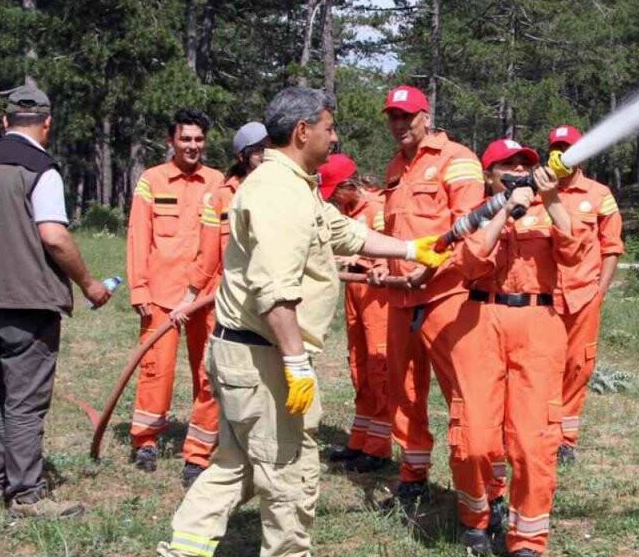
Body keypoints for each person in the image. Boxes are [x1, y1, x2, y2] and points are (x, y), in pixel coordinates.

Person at [158, 87, 453, 557]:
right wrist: (295, 364)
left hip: (246, 351)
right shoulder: (279, 193)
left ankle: (184, 548)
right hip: (265, 356)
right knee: (287, 471)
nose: (334, 138)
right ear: (302, 131)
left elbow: (340, 231)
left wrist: (409, 248)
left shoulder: (295, 184)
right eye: (328, 128)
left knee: (236, 465)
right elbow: (274, 290)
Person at [0, 85, 111, 517]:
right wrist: (89, 284)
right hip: (28, 307)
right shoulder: (42, 170)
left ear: (4, 121)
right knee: (24, 401)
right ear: (47, 123)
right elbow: (54, 237)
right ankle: (26, 495)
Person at [452, 138, 591, 557]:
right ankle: (477, 517)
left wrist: (550, 200)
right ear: (489, 175)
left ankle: (527, 539)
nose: (516, 170)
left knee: (534, 442)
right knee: (474, 438)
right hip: (479, 323)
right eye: (506, 165)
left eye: (523, 164)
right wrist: (503, 210)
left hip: (538, 325)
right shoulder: (475, 214)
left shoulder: (550, 210)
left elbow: (576, 253)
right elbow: (469, 263)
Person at [375, 85, 486, 512]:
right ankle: (413, 479)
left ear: (426, 115)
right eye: (393, 116)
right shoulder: (395, 166)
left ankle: (479, 489)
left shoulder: (457, 159)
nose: (399, 124)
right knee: (403, 391)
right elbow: (391, 230)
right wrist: (381, 263)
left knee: (462, 392)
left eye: (407, 115)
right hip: (401, 298)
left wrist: (432, 268)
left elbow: (470, 226)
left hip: (445, 295)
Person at [167, 121, 272, 487]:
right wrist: (189, 298)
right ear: (243, 156)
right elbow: (207, 254)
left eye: (270, 149)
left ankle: (258, 456)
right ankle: (197, 456)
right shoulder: (221, 198)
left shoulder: (280, 192)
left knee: (266, 381)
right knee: (214, 378)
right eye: (259, 151)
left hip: (268, 305)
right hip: (225, 305)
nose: (266, 156)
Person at [125, 109, 224, 480]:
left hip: (206, 294)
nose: (192, 146)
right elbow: (138, 235)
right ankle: (146, 440)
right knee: (156, 369)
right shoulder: (152, 180)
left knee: (208, 371)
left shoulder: (217, 181)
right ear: (171, 141)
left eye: (198, 139)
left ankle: (200, 447)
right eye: (185, 139)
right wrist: (139, 288)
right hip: (161, 294)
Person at [547, 125, 623, 464]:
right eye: (557, 148)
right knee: (541, 367)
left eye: (569, 148)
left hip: (582, 297)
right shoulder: (540, 190)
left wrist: (599, 293)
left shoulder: (599, 194)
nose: (563, 154)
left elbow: (611, 247)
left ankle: (565, 440)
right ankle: (539, 431)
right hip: (544, 298)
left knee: (577, 366)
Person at [319, 153, 392, 473]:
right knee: (358, 365)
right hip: (355, 292)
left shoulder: (376, 208)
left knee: (378, 366)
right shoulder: (347, 212)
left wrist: (359, 261)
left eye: (336, 192)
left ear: (349, 185)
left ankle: (378, 447)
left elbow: (388, 250)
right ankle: (360, 440)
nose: (333, 200)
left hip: (376, 296)